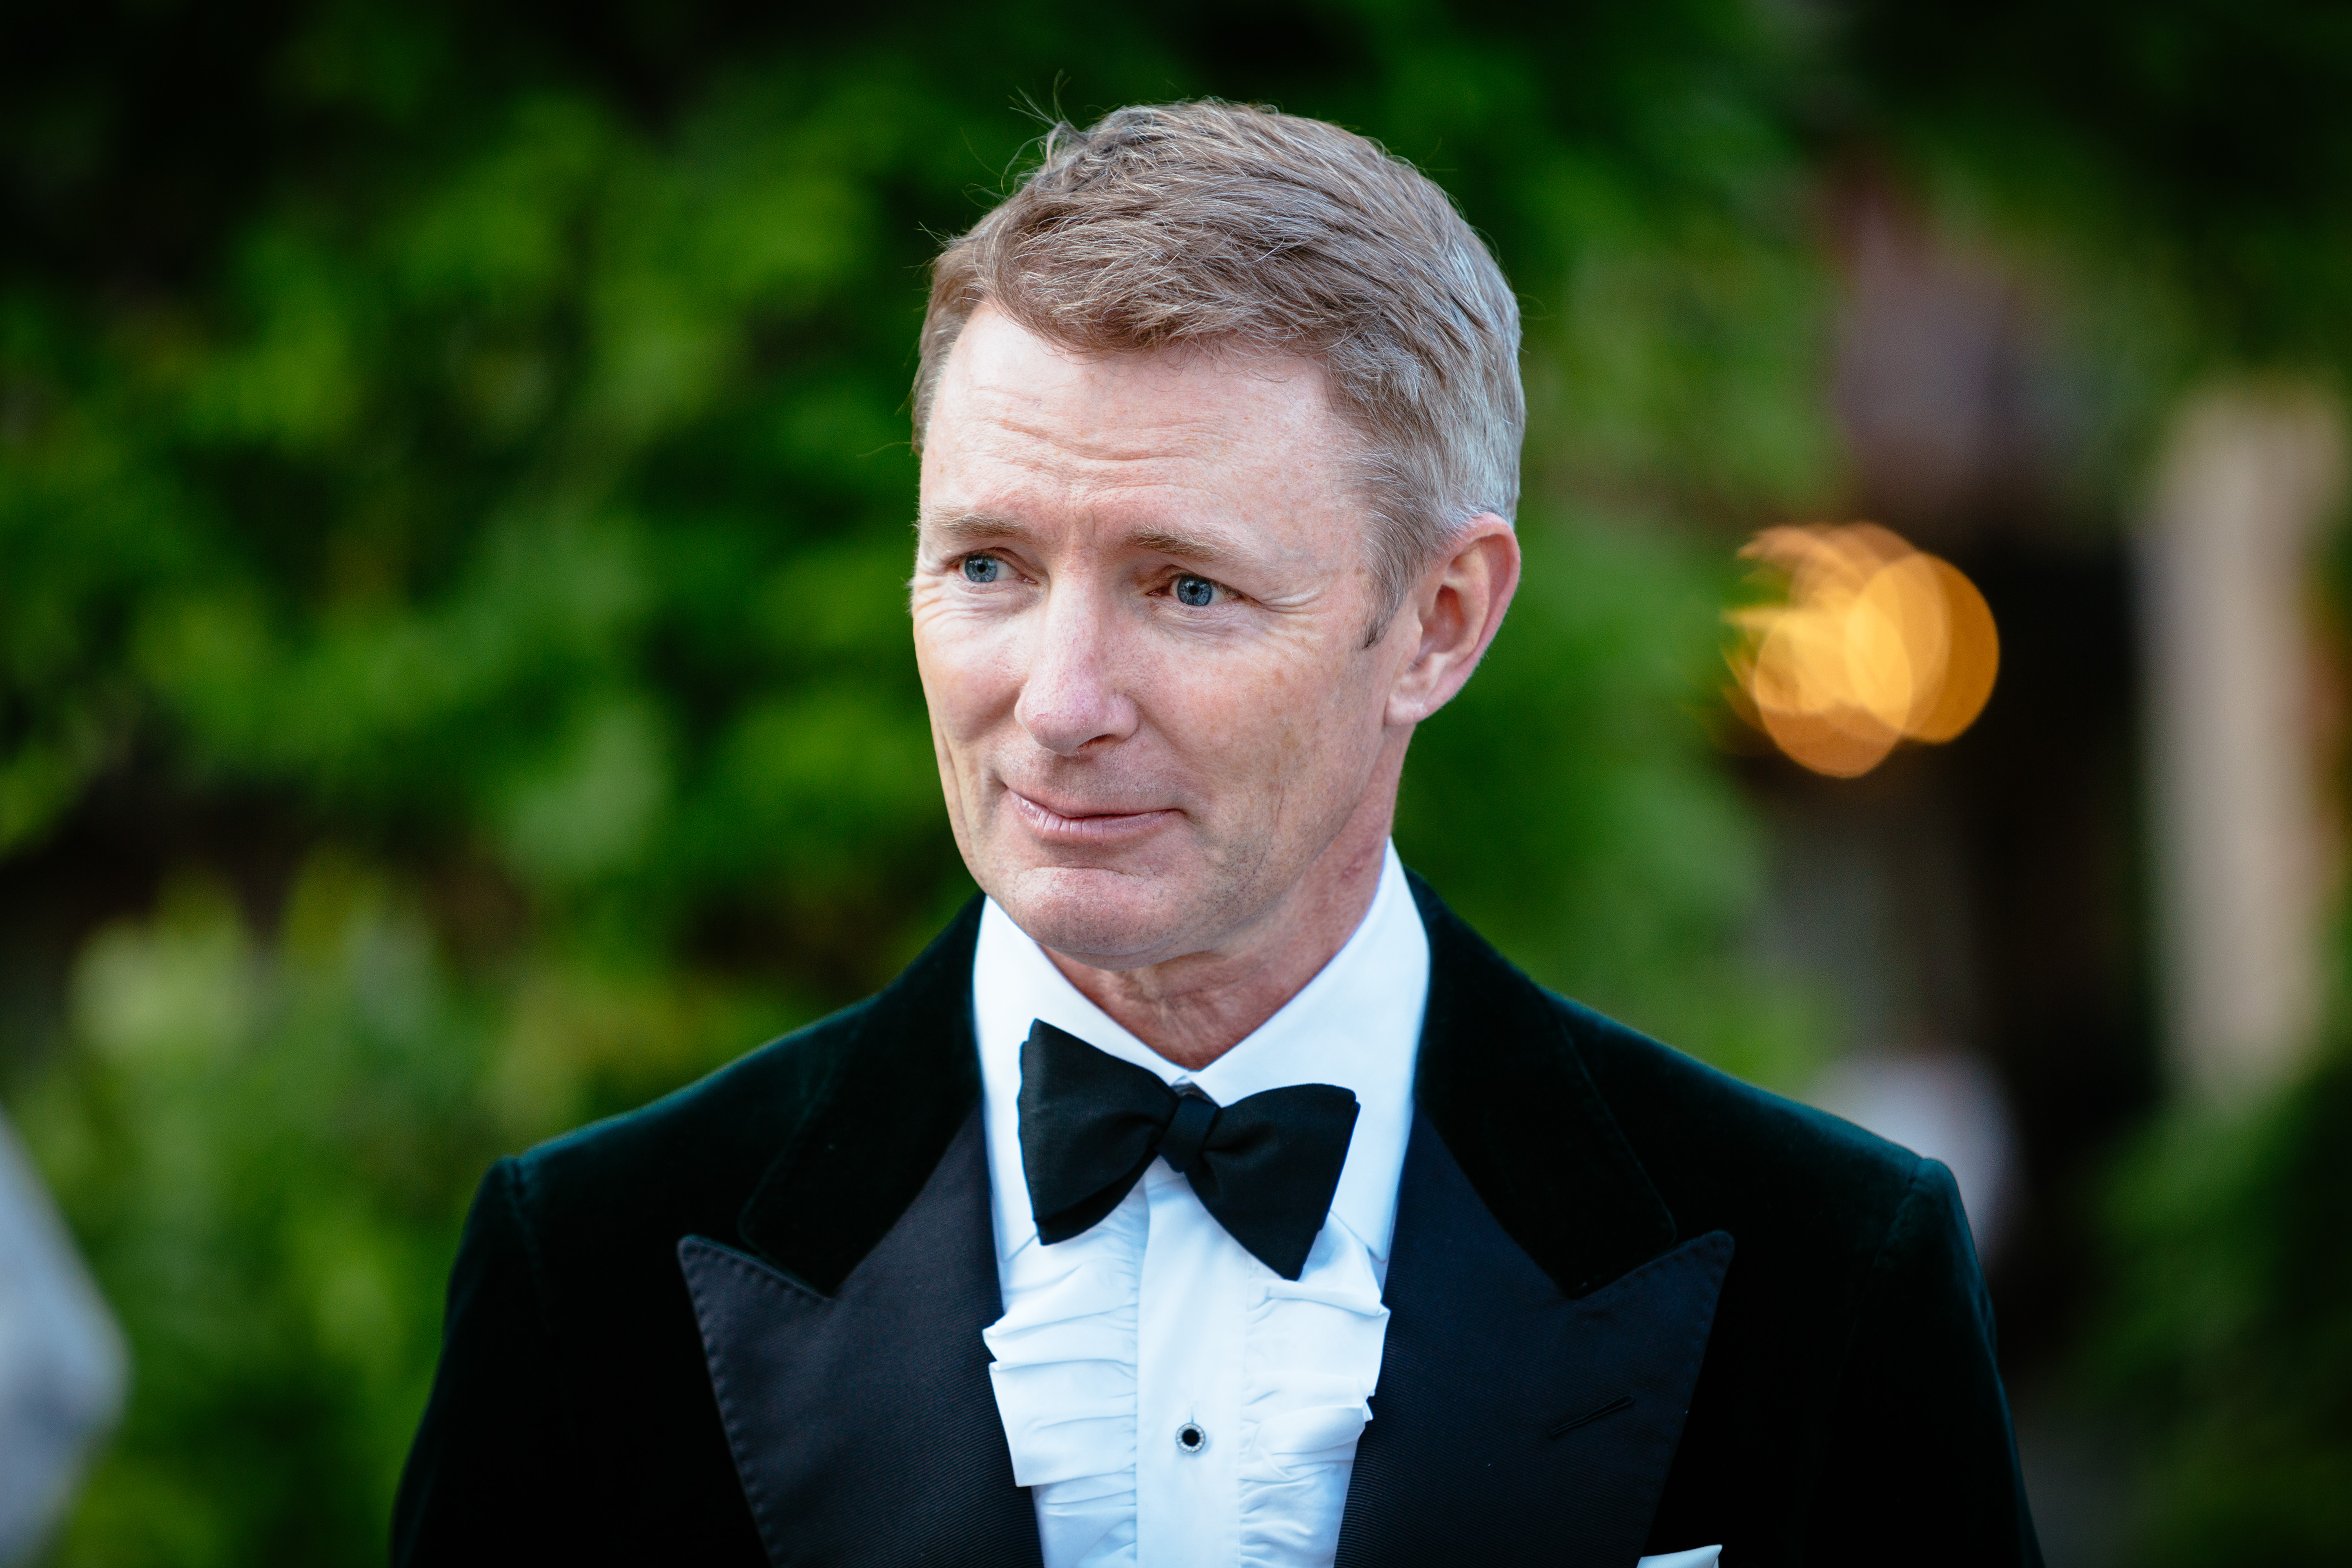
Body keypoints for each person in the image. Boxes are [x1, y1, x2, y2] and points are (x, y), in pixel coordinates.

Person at [392, 102, 2041, 1568]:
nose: (1059, 704)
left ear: (1439, 623)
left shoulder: (1831, 1274)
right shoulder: (586, 1273)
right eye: (987, 566)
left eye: (1185, 587)